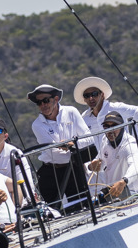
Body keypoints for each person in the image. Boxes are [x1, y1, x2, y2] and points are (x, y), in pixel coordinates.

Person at [28, 84, 92, 212]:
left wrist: (70, 145)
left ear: (56, 99)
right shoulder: (37, 124)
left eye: (46, 100)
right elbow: (52, 151)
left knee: (82, 208)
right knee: (49, 212)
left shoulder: (71, 112)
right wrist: (73, 145)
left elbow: (89, 139)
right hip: (50, 171)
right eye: (39, 103)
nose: (43, 105)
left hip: (73, 168)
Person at [88, 111, 138, 201]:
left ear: (122, 127)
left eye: (114, 126)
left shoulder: (131, 143)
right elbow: (101, 162)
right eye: (106, 126)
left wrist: (123, 181)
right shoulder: (104, 140)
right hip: (113, 194)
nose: (110, 130)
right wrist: (92, 166)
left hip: (135, 194)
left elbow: (137, 166)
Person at [0, 117, 37, 207]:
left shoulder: (15, 154)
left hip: (15, 204)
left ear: (5, 136)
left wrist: (16, 211)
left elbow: (26, 185)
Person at [72, 76, 138, 134]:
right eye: (87, 96)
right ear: (84, 99)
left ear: (102, 95)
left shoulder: (117, 108)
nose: (91, 98)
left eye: (94, 94)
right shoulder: (84, 118)